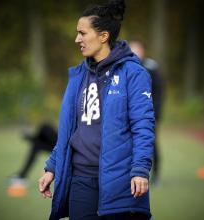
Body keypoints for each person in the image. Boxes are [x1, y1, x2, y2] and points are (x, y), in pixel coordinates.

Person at [38, 0, 155, 219]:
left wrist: (140, 169)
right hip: (80, 179)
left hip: (120, 179)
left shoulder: (133, 73)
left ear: (103, 36)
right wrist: (52, 166)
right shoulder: (78, 75)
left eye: (82, 33)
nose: (77, 39)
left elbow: (143, 126)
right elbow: (71, 128)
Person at [129, 40, 165, 184]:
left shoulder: (151, 67)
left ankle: (155, 174)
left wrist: (156, 113)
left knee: (151, 143)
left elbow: (159, 92)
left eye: (137, 49)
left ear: (143, 51)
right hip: (131, 115)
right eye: (132, 49)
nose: (134, 53)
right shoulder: (127, 67)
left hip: (149, 114)